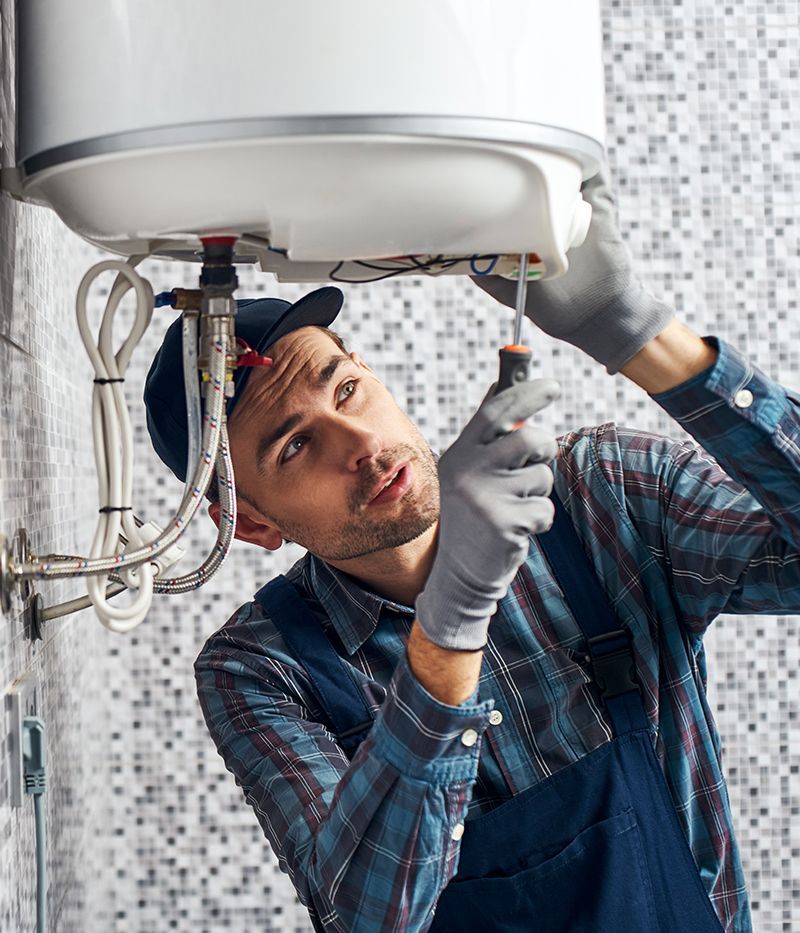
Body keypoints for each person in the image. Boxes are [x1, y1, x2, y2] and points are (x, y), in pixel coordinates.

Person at [143, 170, 796, 932]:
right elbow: (370, 914)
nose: (358, 443)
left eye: (346, 388)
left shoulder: (599, 496)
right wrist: (449, 625)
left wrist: (639, 332)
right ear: (253, 522)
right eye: (295, 445)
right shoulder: (259, 670)